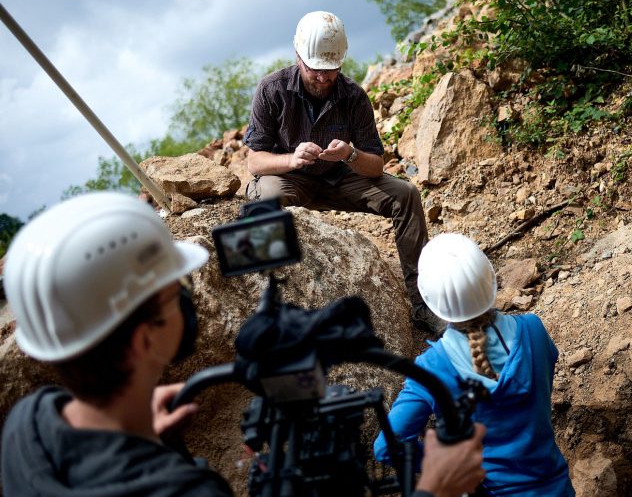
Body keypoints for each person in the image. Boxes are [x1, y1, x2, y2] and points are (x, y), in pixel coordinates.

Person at [1, 192, 486, 497]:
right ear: (146, 336)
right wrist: (434, 488)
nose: (189, 301)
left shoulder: (29, 425)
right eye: (178, 294)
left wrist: (134, 428)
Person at [243, 11, 436, 333]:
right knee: (266, 198)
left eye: (330, 71)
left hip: (341, 179)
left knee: (406, 194)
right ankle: (269, 307)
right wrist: (292, 160)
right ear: (298, 57)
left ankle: (422, 304)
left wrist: (350, 154)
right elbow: (254, 162)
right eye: (314, 70)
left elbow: (376, 164)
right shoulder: (272, 90)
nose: (322, 78)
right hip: (291, 179)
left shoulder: (353, 96)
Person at [374, 233, 575, 496]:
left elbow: (387, 447)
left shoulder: (432, 367)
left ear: (431, 301)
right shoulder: (534, 332)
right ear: (490, 278)